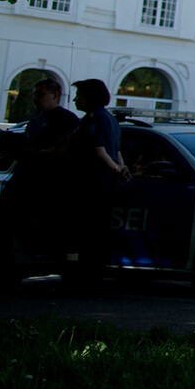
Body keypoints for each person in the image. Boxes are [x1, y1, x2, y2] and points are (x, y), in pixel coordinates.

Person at [0, 77, 80, 263]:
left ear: (55, 95)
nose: (36, 98)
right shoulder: (35, 122)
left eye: (41, 94)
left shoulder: (65, 120)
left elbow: (65, 149)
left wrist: (38, 154)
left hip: (45, 187)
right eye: (34, 94)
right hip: (23, 182)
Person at [64, 78, 129, 286]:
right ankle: (92, 279)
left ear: (90, 97)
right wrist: (121, 169)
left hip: (89, 186)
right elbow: (116, 151)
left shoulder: (93, 119)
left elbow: (99, 152)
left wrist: (117, 169)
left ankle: (78, 281)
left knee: (82, 235)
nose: (75, 99)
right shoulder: (112, 119)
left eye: (79, 95)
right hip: (106, 186)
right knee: (98, 236)